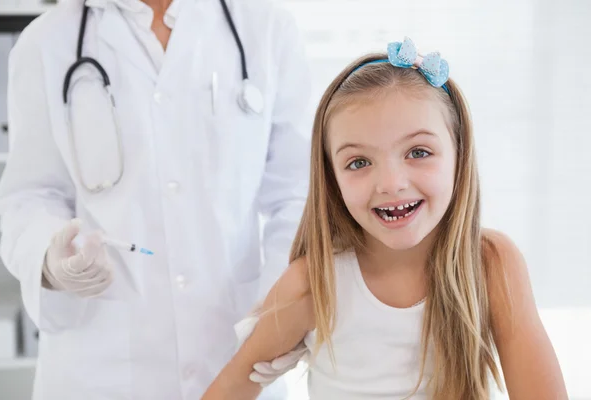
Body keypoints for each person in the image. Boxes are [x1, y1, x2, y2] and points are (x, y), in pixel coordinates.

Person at [201, 37, 569, 399]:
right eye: (359, 162)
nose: (391, 184)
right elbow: (230, 388)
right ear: (332, 178)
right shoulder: (316, 282)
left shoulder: (491, 264)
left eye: (418, 152)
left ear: (460, 153)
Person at [0, 0, 312, 398]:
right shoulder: (46, 42)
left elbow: (299, 193)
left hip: (238, 351)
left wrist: (281, 310)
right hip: (101, 370)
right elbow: (29, 195)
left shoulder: (266, 29)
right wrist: (53, 261)